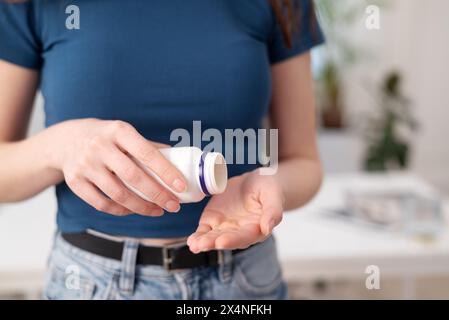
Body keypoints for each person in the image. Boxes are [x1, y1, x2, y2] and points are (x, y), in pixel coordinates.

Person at [0, 0, 324, 300]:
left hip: (244, 283)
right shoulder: (29, 5)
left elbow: (304, 161)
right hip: (90, 283)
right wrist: (59, 146)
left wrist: (270, 185)